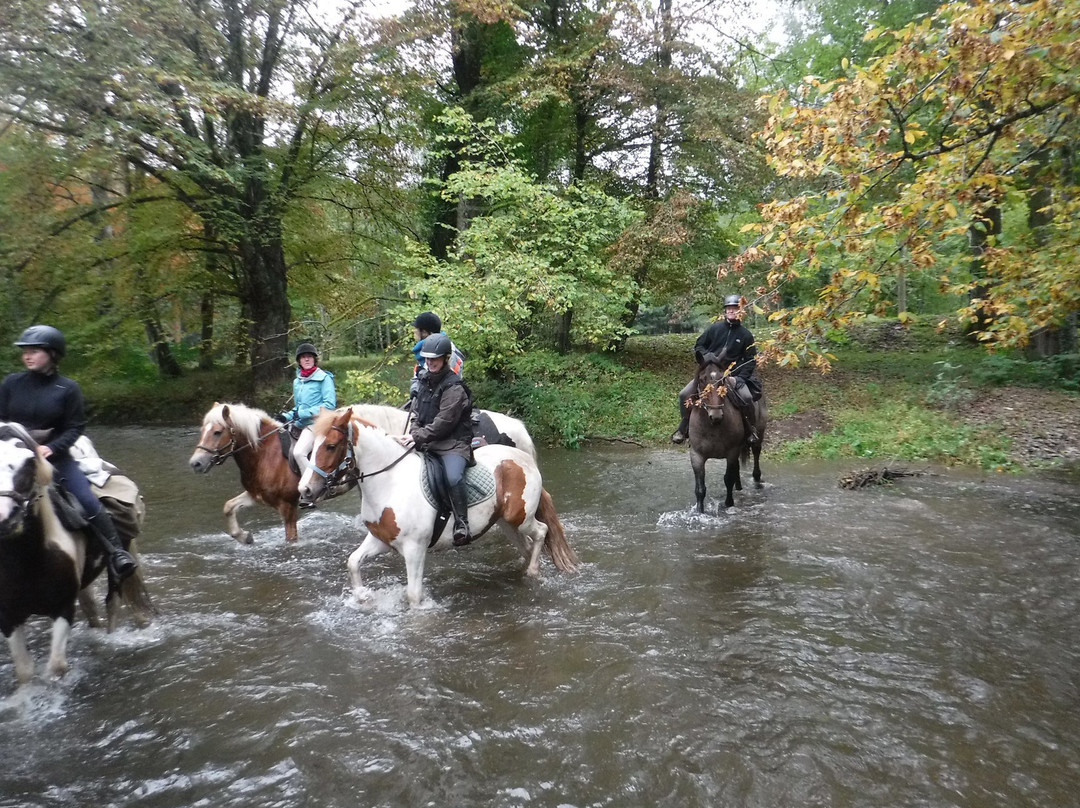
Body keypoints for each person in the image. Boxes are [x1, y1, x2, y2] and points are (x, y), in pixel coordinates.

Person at [0, 325, 137, 582]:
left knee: (87, 499)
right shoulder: (11, 384)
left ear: (52, 354)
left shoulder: (68, 388)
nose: (27, 356)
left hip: (56, 458)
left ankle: (117, 553)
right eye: (25, 352)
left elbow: (75, 427)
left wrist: (51, 447)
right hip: (12, 459)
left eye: (34, 351)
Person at [395, 333, 475, 546]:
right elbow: (417, 414)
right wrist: (413, 432)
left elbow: (444, 422)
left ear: (446, 358)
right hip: (429, 442)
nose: (430, 363)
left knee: (452, 477)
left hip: (453, 445)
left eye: (435, 359)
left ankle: (461, 523)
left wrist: (417, 436)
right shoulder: (423, 381)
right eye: (427, 359)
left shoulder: (454, 387)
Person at [671, 295, 762, 445]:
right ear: (725, 311)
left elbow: (751, 360)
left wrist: (740, 379)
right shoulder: (714, 328)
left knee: (746, 397)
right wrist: (708, 358)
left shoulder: (746, 335)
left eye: (735, 309)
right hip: (708, 373)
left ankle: (750, 430)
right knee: (684, 394)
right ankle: (684, 427)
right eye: (729, 309)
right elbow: (699, 346)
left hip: (732, 375)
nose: (732, 311)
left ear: (741, 312)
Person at [279, 342, 336, 473]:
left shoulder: (325, 378)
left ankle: (312, 488)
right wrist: (285, 416)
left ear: (314, 359)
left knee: (299, 453)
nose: (306, 359)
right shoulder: (297, 381)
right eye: (303, 357)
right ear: (299, 361)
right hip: (299, 424)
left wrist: (302, 414)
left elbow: (329, 406)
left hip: (317, 424)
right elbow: (298, 408)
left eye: (309, 356)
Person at [408, 311, 464, 400]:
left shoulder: (448, 350)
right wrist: (415, 389)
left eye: (416, 330)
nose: (414, 332)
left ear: (424, 332)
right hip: (427, 397)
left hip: (446, 400)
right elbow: (417, 376)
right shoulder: (423, 351)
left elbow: (448, 382)